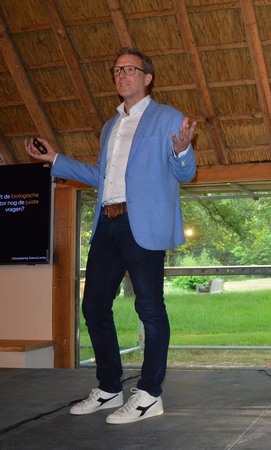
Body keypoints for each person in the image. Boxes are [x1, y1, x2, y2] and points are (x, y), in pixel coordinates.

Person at [24, 47, 197, 425]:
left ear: (147, 78)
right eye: (116, 70)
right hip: (108, 223)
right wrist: (55, 159)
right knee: (93, 305)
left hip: (142, 224)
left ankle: (149, 395)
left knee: (149, 309)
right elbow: (101, 178)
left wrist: (182, 150)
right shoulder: (111, 126)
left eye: (130, 69)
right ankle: (109, 388)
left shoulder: (168, 117)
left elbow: (185, 173)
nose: (122, 75)